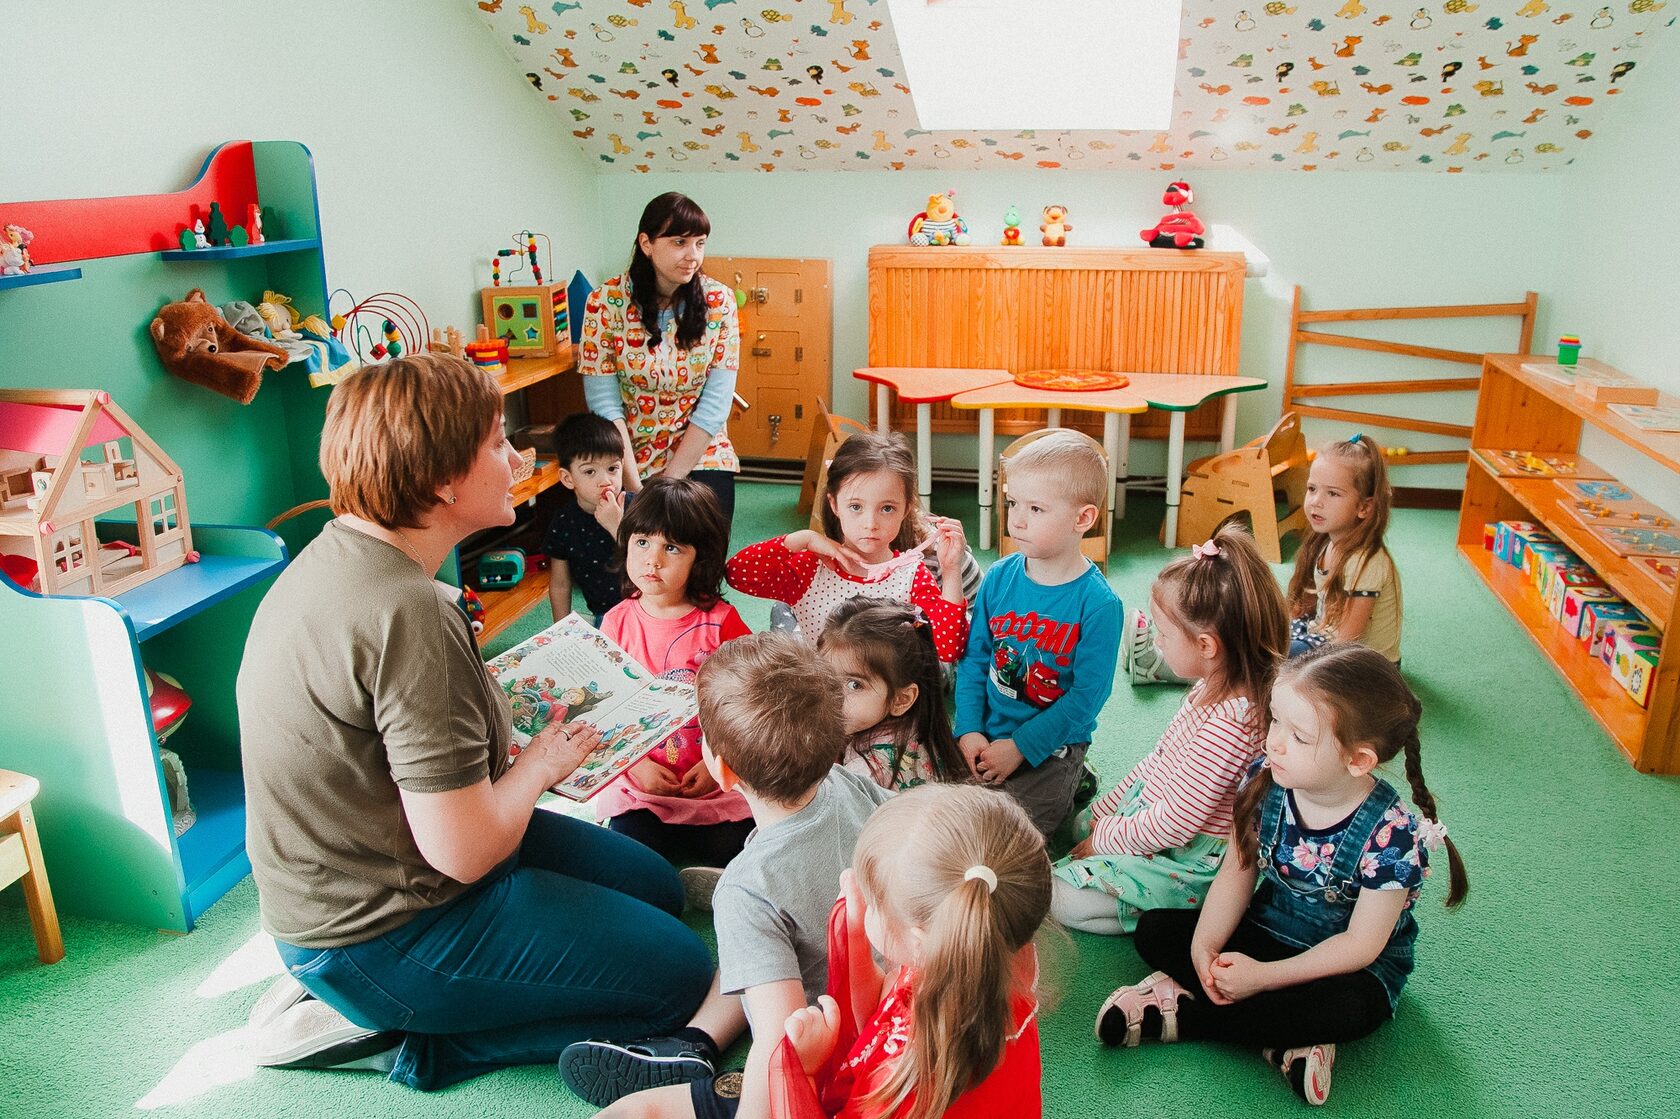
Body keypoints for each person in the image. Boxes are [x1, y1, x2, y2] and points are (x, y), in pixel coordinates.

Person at [237, 353, 711, 1091]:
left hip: (379, 864)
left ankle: (374, 995)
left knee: (657, 889)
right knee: (678, 976)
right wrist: (541, 767)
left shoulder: (347, 558)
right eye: (497, 442)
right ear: (441, 482)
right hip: (387, 926)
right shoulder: (408, 611)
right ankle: (404, 1038)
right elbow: (465, 850)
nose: (518, 456)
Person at [1096, 644, 1469, 1106]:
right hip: (1268, 930)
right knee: (1154, 931)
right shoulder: (1266, 778)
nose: (1273, 742)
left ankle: (1186, 1016)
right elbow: (1237, 870)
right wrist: (1204, 946)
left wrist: (1263, 978)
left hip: (1347, 966)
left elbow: (1359, 945)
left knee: (1349, 1011)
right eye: (1276, 720)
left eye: (1299, 736)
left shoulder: (1391, 836)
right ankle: (1287, 1040)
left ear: (1358, 760)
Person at [560, 633, 894, 1117]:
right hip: (891, 1004)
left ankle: (700, 1066)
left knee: (632, 1111)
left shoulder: (748, 888)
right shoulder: (848, 783)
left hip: (837, 1062)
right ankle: (690, 1043)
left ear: (721, 769)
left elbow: (783, 1046)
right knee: (757, 949)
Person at [1053, 524, 1288, 935]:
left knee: (1062, 900)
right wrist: (1107, 813)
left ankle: (1167, 911)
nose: (1157, 643)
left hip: (1188, 852)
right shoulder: (1209, 685)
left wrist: (1102, 840)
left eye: (1163, 634)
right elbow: (1158, 761)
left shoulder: (1232, 723)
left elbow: (1177, 823)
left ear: (1206, 647)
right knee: (1078, 824)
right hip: (1157, 812)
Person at [771, 784, 1049, 1119]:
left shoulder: (896, 1083)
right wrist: (859, 931)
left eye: (874, 902)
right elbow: (883, 1011)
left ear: (919, 943)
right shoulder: (990, 955)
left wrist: (805, 1069)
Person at [955, 430, 1122, 838]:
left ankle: (1076, 774)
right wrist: (969, 728)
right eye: (1013, 502)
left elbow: (1085, 700)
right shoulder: (997, 578)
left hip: (1052, 747)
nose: (1017, 519)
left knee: (1013, 836)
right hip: (990, 727)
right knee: (943, 809)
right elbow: (975, 658)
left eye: (1036, 508)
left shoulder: (1100, 605)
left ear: (1082, 519)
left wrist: (1021, 748)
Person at [595, 476, 754, 867]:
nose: (653, 559)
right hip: (642, 787)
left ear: (699, 559)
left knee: (739, 845)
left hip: (715, 781)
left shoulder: (722, 622)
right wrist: (637, 765)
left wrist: (720, 759)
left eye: (672, 548)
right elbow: (604, 710)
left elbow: (750, 704)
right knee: (631, 852)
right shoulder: (616, 622)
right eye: (642, 542)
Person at [725, 431, 973, 664]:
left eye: (887, 508)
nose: (870, 524)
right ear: (834, 504)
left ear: (906, 508)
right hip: (822, 697)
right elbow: (738, 574)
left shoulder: (913, 575)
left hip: (883, 700)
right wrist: (802, 539)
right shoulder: (812, 566)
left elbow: (948, 649)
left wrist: (951, 569)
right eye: (856, 507)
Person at [580, 191, 741, 522]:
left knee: (704, 538)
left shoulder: (720, 301)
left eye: (700, 243)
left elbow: (715, 405)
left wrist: (670, 480)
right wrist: (635, 485)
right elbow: (605, 406)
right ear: (646, 243)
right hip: (629, 453)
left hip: (701, 450)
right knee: (636, 553)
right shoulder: (604, 302)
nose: (692, 255)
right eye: (680, 242)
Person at [814, 597, 968, 790]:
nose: (831, 694)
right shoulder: (919, 722)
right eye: (826, 674)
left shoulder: (863, 775)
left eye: (855, 685)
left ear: (902, 699)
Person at [1286, 433, 1403, 662]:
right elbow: (1307, 608)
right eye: (1312, 489)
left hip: (1363, 665)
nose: (1316, 501)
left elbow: (1348, 642)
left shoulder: (1366, 561)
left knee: (1268, 656)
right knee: (1261, 637)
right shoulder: (1324, 543)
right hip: (1324, 638)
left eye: (1333, 493)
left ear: (1364, 508)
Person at [545, 412, 632, 623]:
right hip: (605, 615)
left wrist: (616, 527)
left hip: (650, 611)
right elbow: (560, 584)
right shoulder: (564, 523)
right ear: (567, 478)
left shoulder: (638, 507)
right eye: (590, 472)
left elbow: (651, 565)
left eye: (613, 469)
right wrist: (560, 630)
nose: (605, 481)